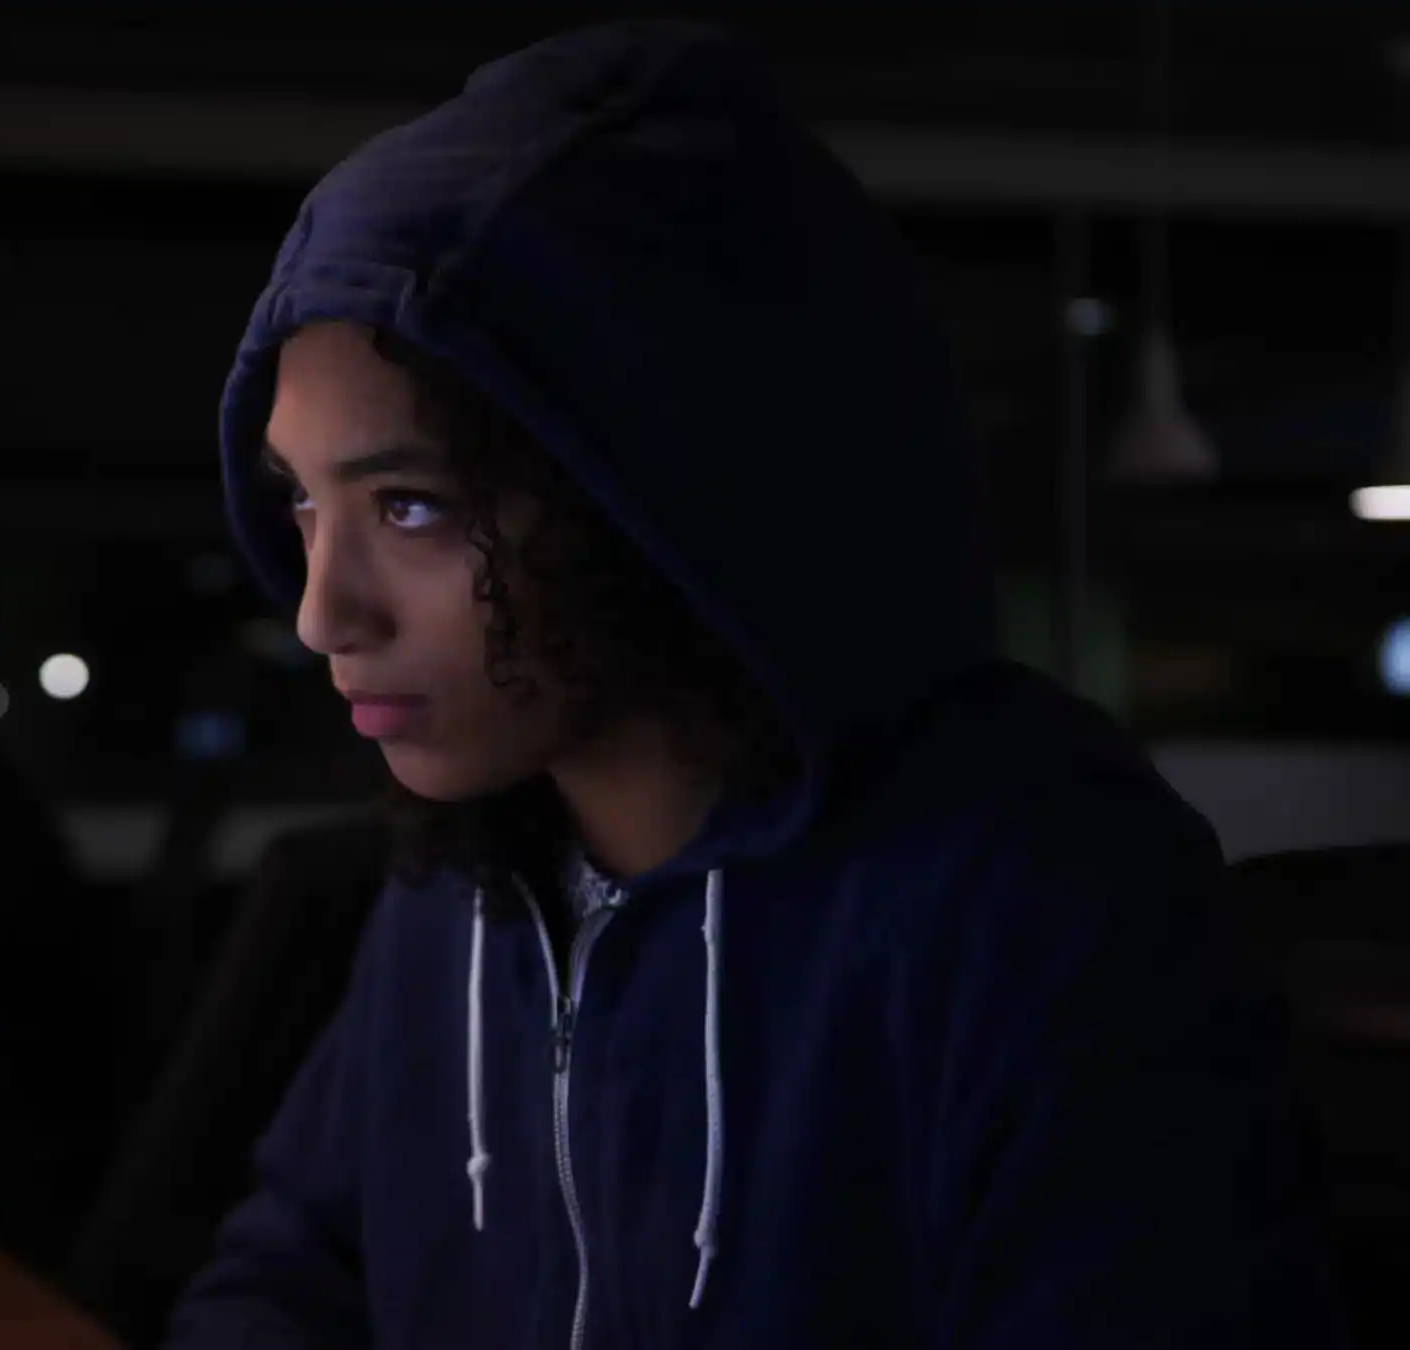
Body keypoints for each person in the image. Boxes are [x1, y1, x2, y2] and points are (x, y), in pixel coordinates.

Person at [166, 22, 1345, 1349]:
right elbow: (288, 1273)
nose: (321, 610)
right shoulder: (459, 884)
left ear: (651, 494)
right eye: (302, 503)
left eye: (412, 507)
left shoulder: (1031, 890)